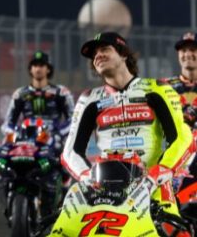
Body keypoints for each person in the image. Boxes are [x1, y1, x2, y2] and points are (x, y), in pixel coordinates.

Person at [62, 32, 193, 221]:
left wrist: (160, 173)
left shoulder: (157, 88)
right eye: (94, 54)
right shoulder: (88, 98)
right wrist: (88, 178)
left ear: (123, 54)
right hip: (104, 187)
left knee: (174, 228)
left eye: (105, 49)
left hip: (153, 185)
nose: (98, 55)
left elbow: (182, 138)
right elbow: (71, 152)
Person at [1, 51, 75, 155]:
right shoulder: (20, 93)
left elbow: (74, 120)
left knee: (67, 148)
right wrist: (15, 133)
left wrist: (59, 134)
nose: (38, 69)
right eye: (35, 65)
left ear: (48, 69)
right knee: (5, 147)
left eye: (42, 65)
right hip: (26, 139)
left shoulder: (61, 92)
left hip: (53, 139)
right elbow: (7, 123)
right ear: (30, 69)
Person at [159, 32, 197, 196]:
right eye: (183, 50)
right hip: (173, 152)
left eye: (193, 49)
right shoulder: (165, 86)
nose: (188, 54)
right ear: (178, 55)